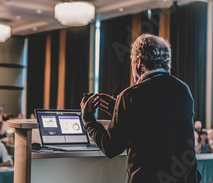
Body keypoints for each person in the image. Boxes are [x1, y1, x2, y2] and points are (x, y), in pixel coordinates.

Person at [81, 34, 200, 182]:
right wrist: (118, 110)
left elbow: (111, 148)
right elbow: (158, 124)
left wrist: (88, 119)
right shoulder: (183, 89)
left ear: (139, 61)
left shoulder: (131, 95)